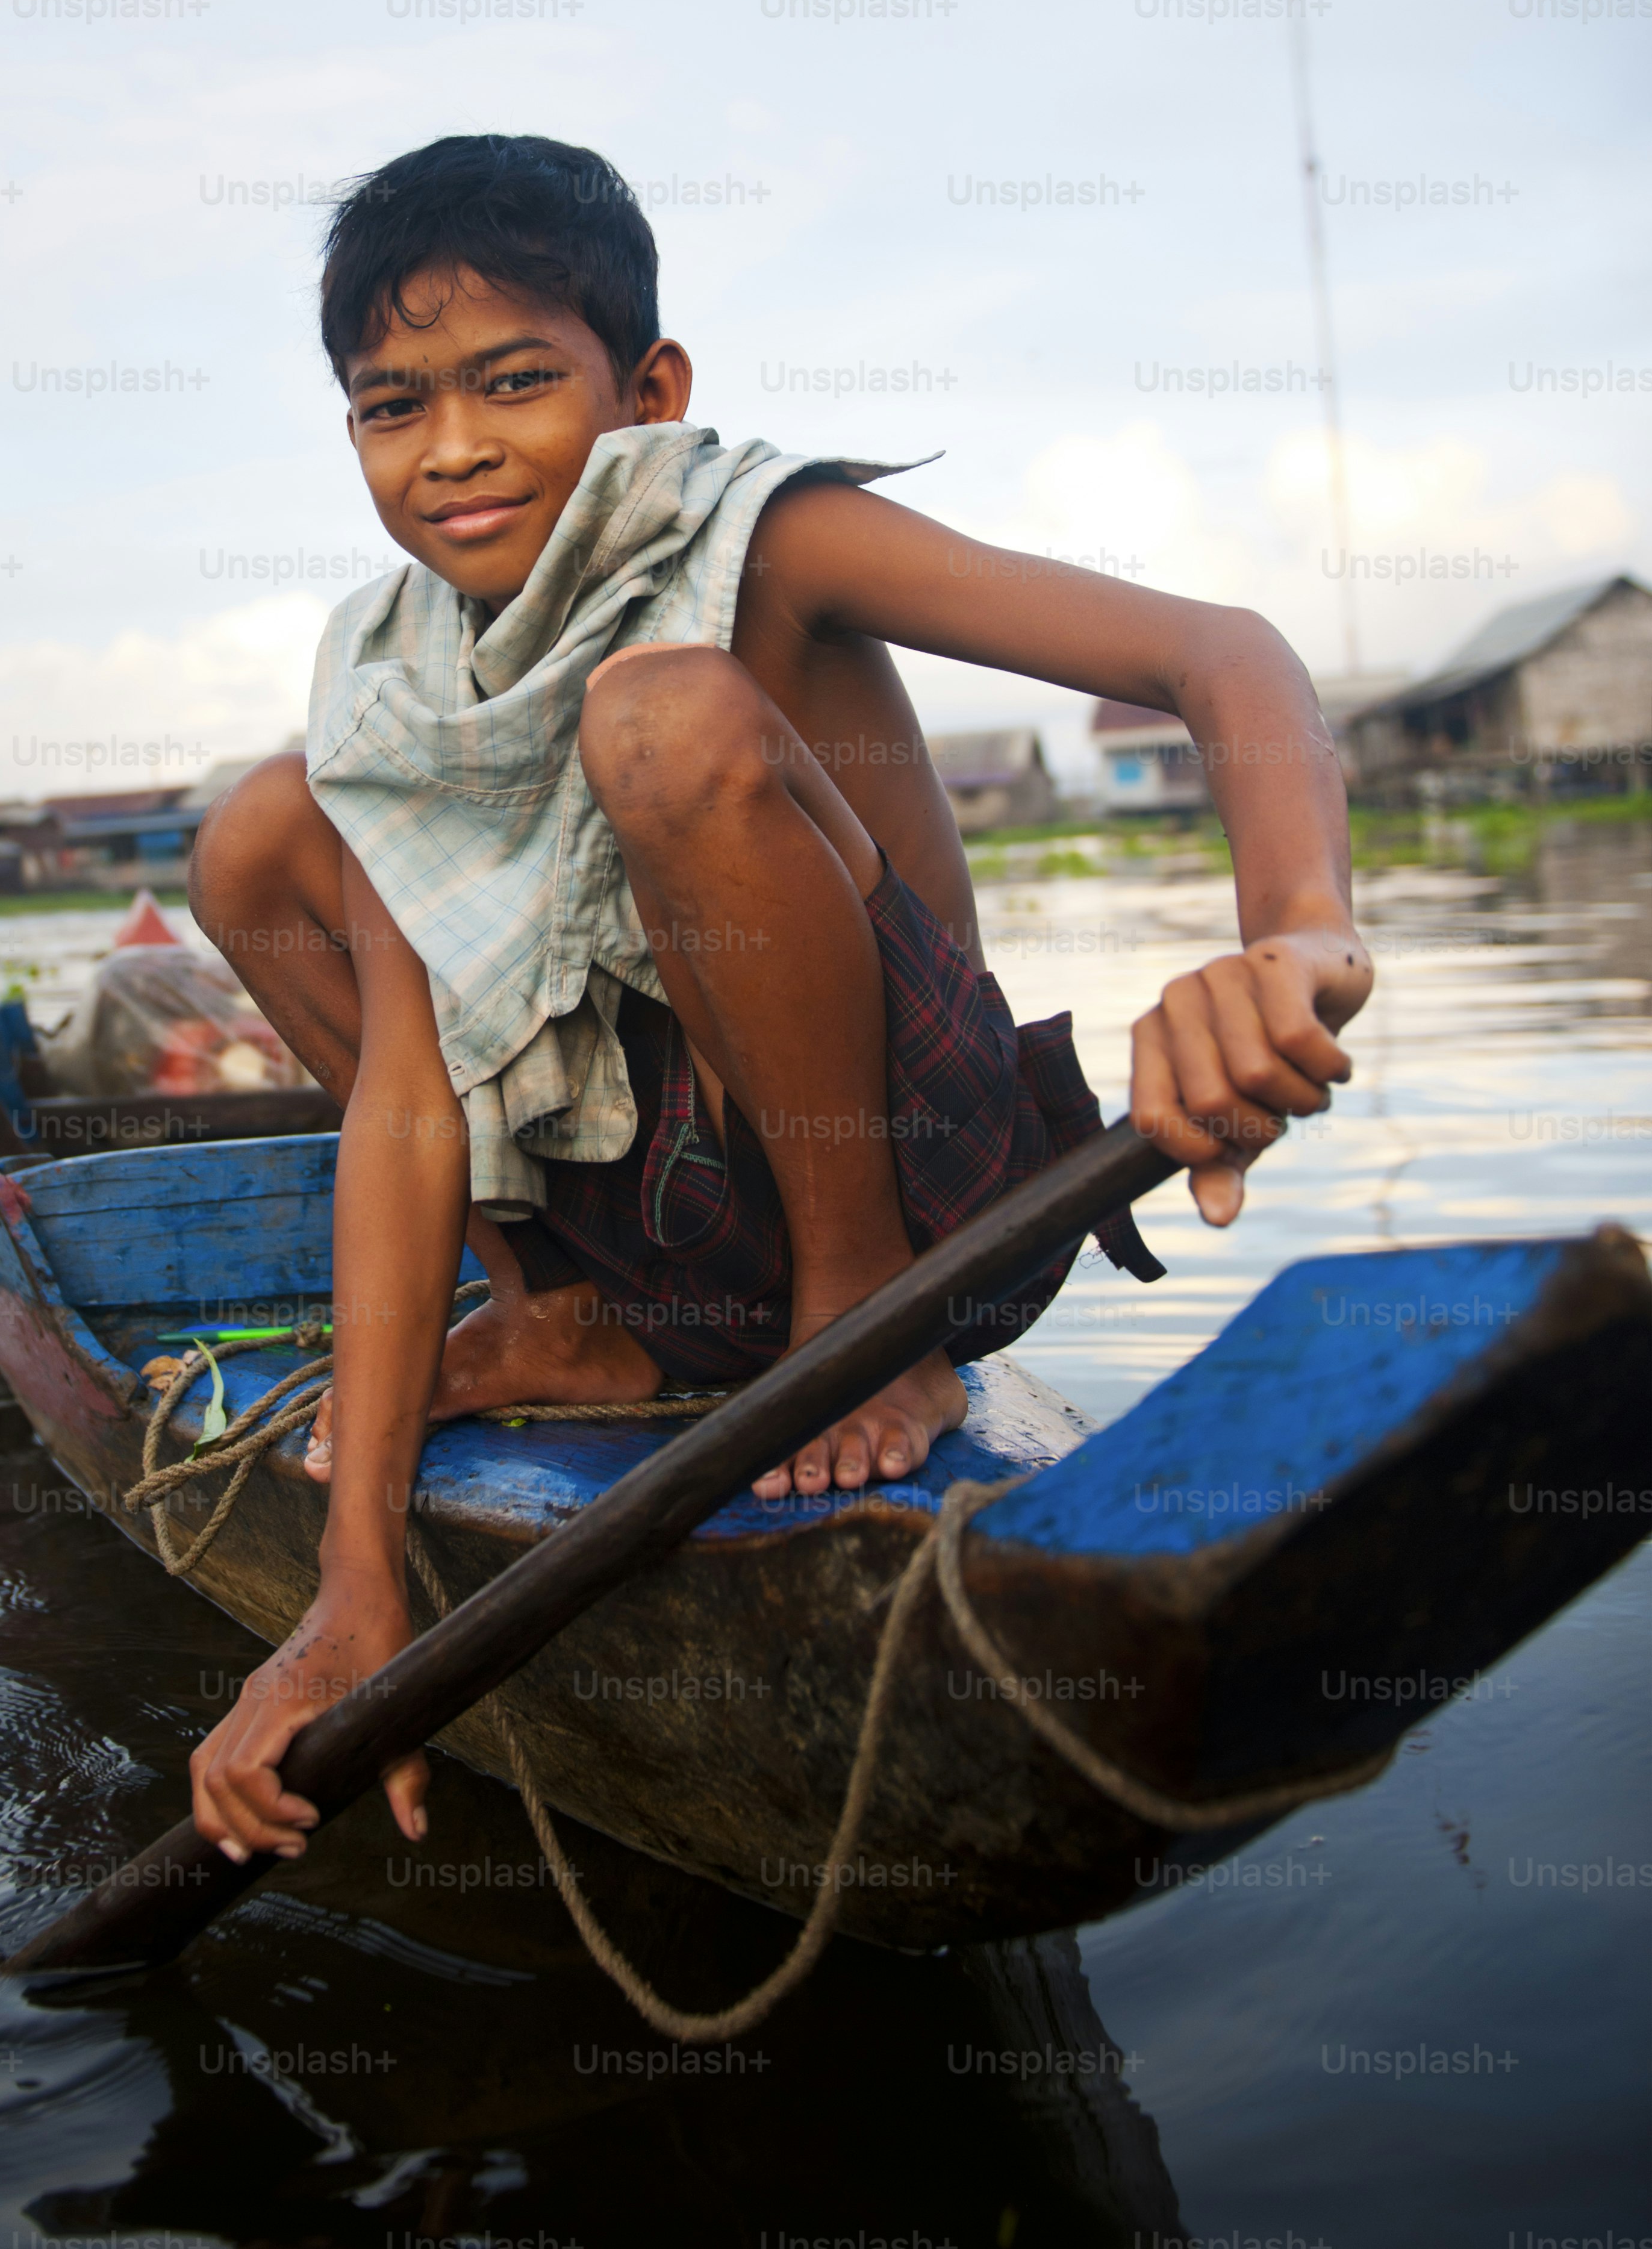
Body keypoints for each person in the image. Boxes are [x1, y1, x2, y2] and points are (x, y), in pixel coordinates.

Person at [183, 133, 1373, 1865]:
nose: (451, 450)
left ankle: (853, 1312)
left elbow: (1222, 656)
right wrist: (354, 1585)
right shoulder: (398, 679)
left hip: (920, 1187)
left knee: (658, 716)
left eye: (515, 382)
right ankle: (569, 1309)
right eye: (391, 406)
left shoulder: (766, 530)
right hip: (665, 1222)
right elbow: (407, 1100)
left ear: (646, 383)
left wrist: (1297, 942)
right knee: (254, 835)